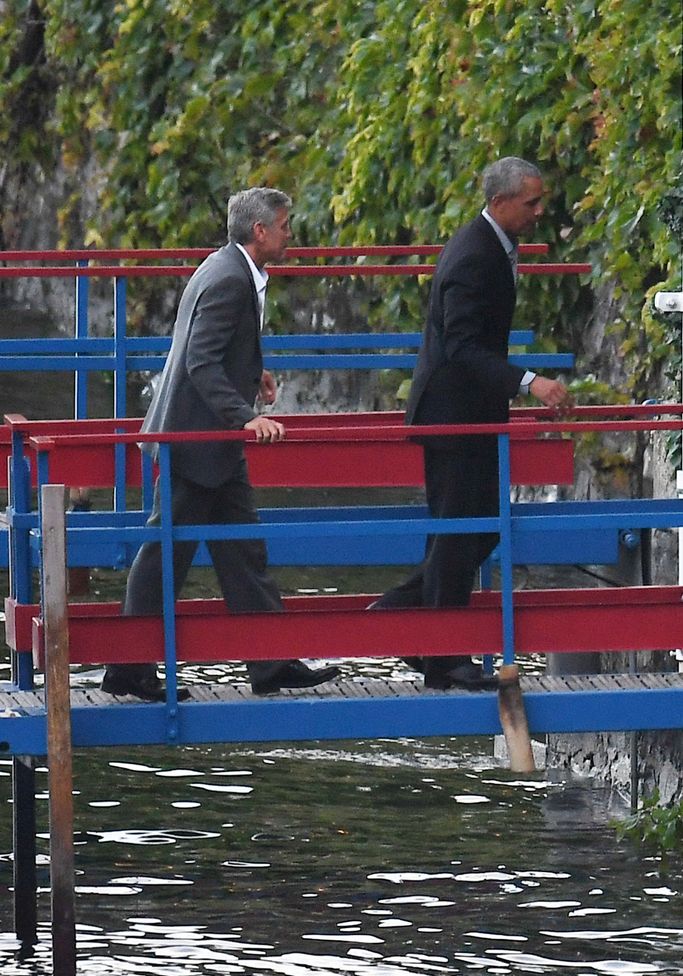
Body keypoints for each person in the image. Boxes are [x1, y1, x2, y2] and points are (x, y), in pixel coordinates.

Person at [102, 187, 339, 701]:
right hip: (196, 438)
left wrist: (255, 372)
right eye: (284, 225)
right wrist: (246, 417)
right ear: (260, 231)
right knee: (164, 553)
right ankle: (128, 668)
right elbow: (200, 363)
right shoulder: (232, 280)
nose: (290, 234)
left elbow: (211, 350)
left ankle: (272, 663)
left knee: (242, 551)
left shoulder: (225, 267)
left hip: (207, 439)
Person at [371, 157, 573, 691]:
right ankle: (440, 655)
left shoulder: (492, 247)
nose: (539, 211)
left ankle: (401, 619)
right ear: (500, 201)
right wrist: (530, 381)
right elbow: (460, 348)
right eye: (531, 202)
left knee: (475, 529)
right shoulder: (473, 256)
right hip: (452, 418)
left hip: (470, 414)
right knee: (462, 530)